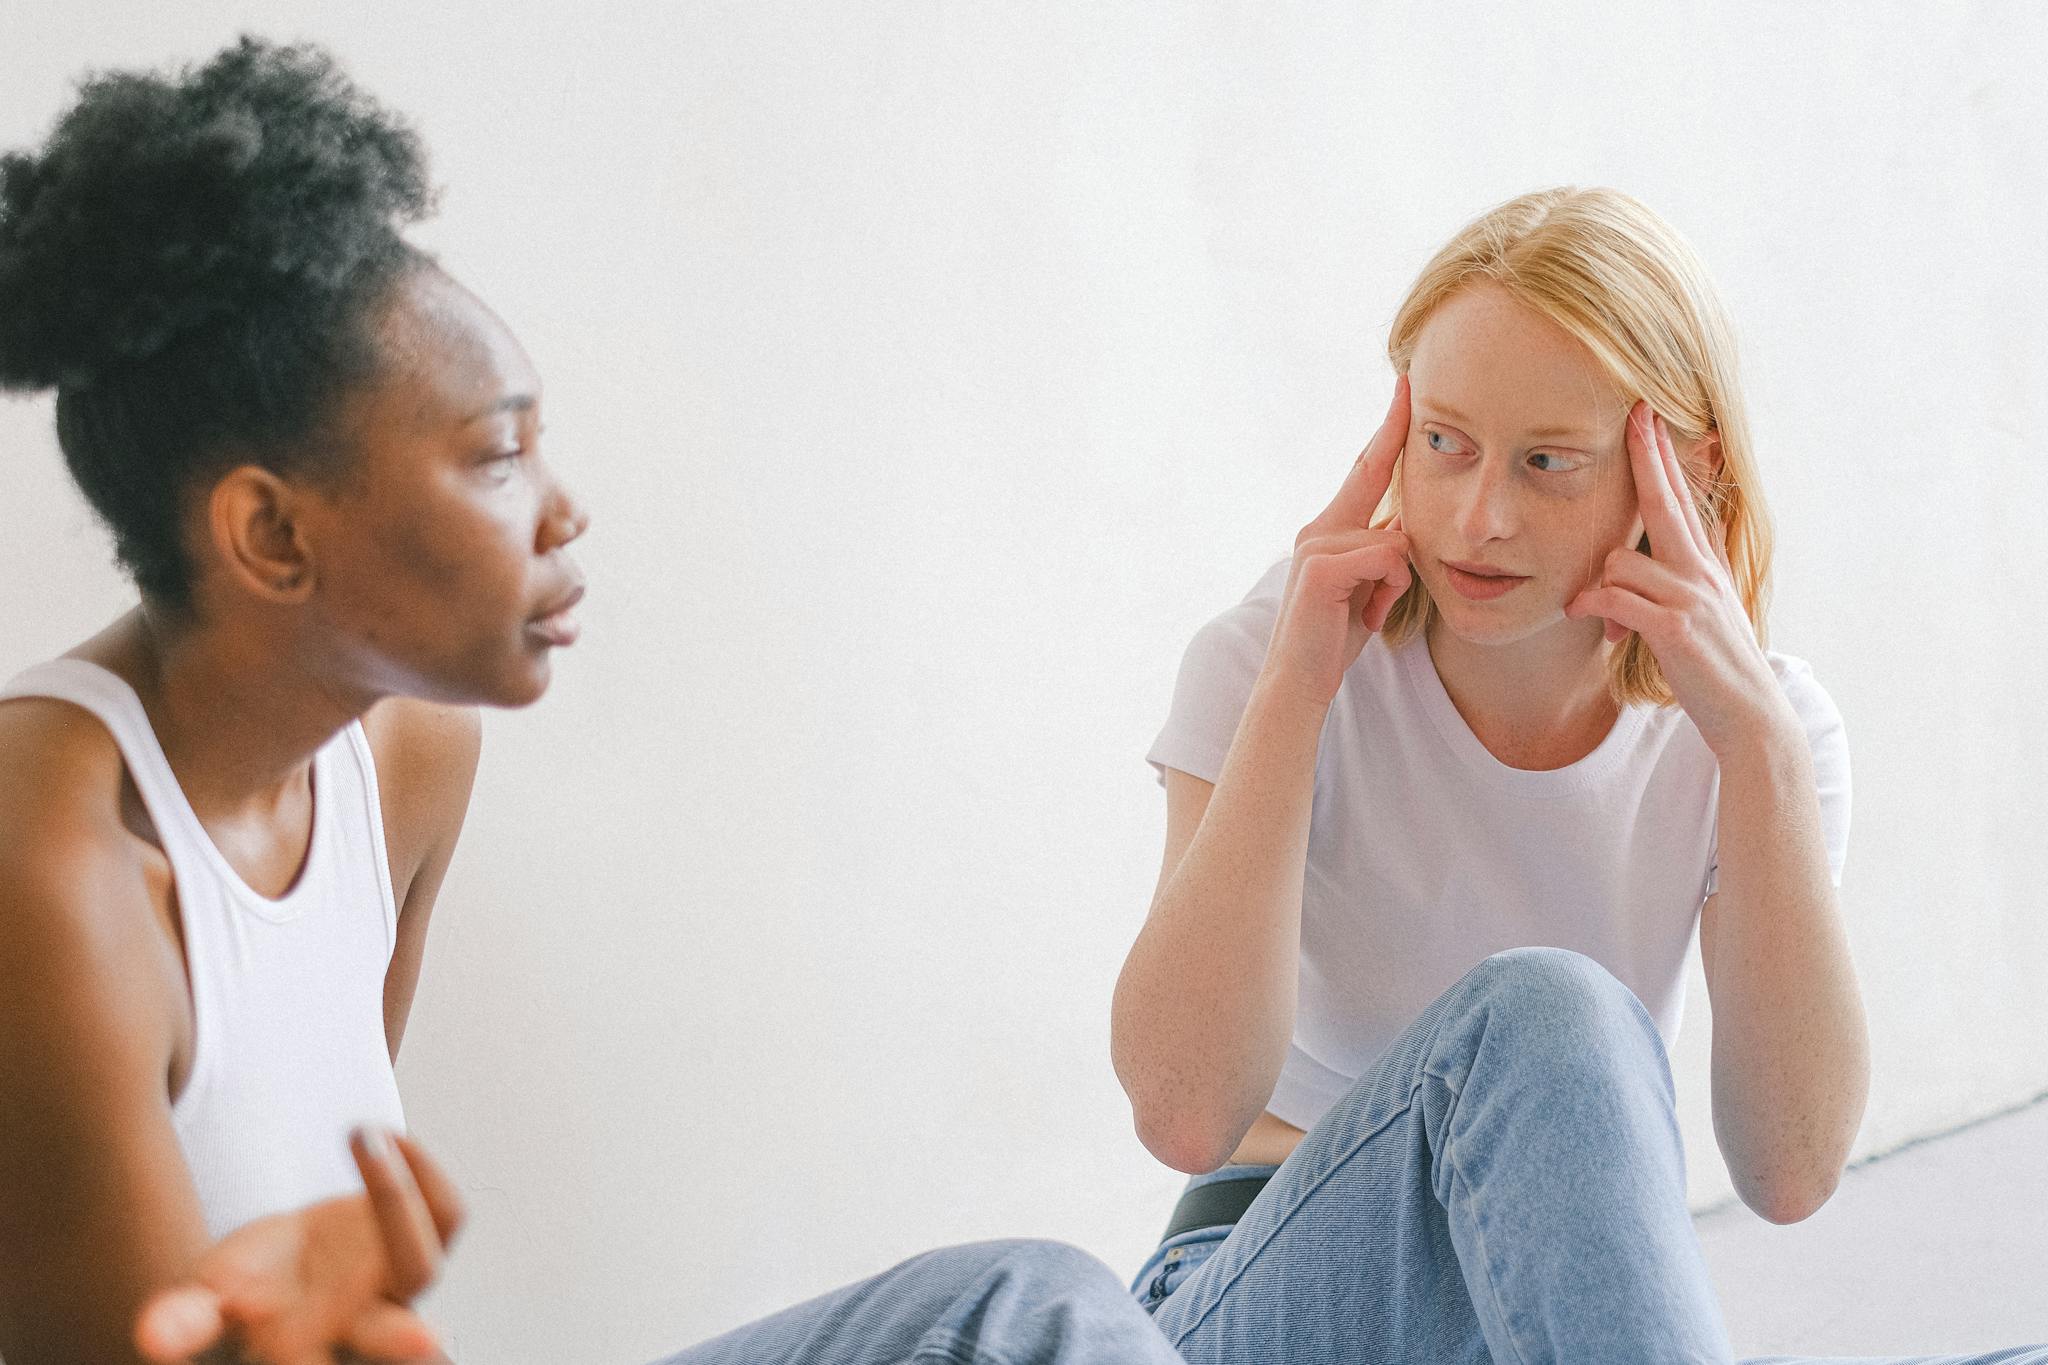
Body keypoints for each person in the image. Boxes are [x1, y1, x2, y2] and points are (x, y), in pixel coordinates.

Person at [0, 39, 1184, 1365]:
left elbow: (333, 1240)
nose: (565, 508)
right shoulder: (49, 864)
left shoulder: (404, 750)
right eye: (498, 455)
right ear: (272, 535)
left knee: (1027, 1308)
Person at [1111, 188, 2048, 1363]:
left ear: (1680, 469)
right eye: (1442, 442)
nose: (1476, 516)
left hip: (1542, 1324)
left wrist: (1755, 754)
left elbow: (1789, 1170)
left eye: (1547, 462)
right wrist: (1294, 696)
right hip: (1255, 1291)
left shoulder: (1761, 736)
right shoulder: (1268, 660)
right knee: (1549, 1012)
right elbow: (1184, 1113)